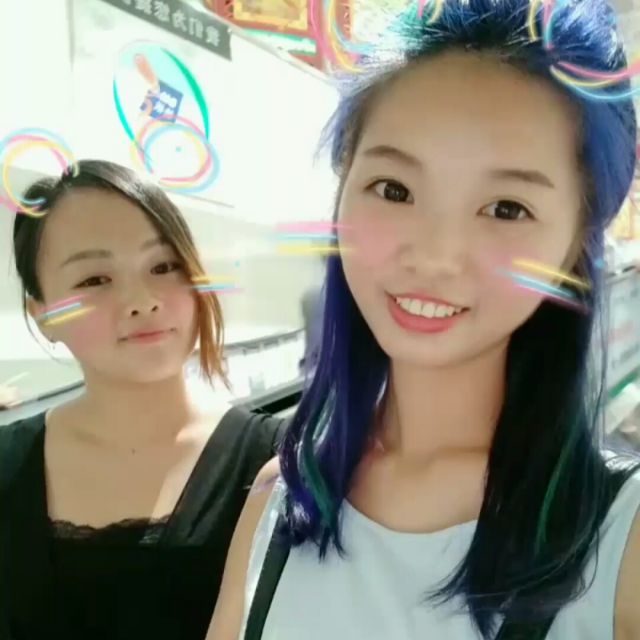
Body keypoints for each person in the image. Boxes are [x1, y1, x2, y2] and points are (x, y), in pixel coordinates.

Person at [208, 0, 640, 638]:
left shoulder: (622, 539)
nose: (435, 257)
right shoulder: (282, 499)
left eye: (506, 208)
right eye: (394, 189)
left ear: (576, 243)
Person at [0, 160, 285, 640]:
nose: (142, 299)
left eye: (163, 266)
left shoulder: (280, 468)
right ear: (43, 314)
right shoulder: (8, 466)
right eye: (95, 279)